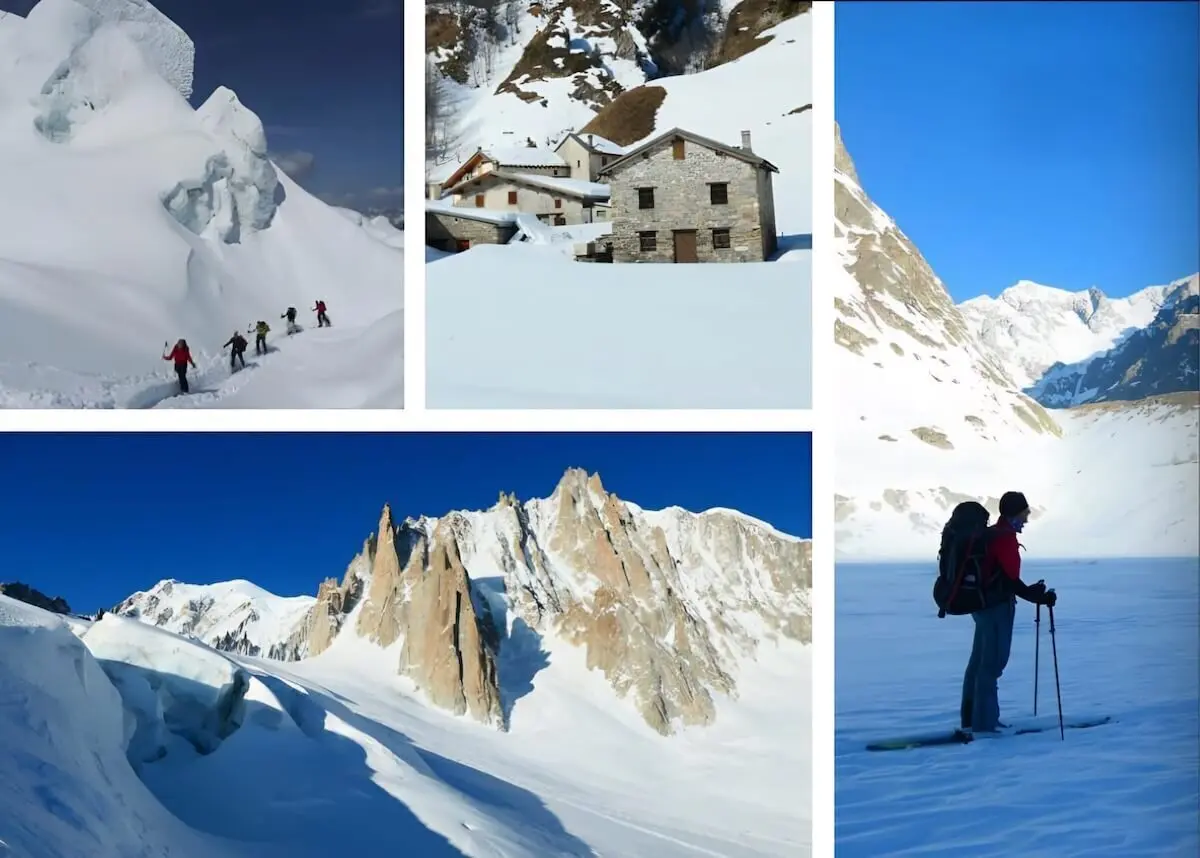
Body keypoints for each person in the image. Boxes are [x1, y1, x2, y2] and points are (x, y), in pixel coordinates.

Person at [961, 491, 1057, 733]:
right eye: (1024, 514)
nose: (1026, 519)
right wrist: (1038, 596)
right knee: (991, 665)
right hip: (996, 609)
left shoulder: (991, 534)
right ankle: (984, 726)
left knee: (978, 662)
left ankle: (972, 719)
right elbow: (1011, 581)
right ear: (1014, 514)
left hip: (981, 607)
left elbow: (1005, 578)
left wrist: (1031, 592)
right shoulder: (1005, 539)